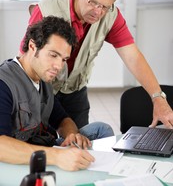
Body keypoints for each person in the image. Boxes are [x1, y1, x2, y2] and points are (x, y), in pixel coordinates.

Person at [19, 0, 173, 129]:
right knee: (43, 143)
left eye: (105, 6)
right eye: (93, 2)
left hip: (75, 91)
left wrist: (158, 98)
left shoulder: (112, 15)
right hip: (42, 89)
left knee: (81, 143)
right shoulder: (47, 9)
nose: (97, 12)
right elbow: (26, 58)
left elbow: (132, 57)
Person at [0, 16, 114, 171]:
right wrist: (57, 157)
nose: (59, 66)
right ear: (32, 46)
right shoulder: (4, 83)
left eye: (64, 59)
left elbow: (62, 119)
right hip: (20, 160)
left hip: (46, 147)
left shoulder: (42, 76)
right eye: (53, 55)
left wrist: (72, 135)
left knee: (102, 129)